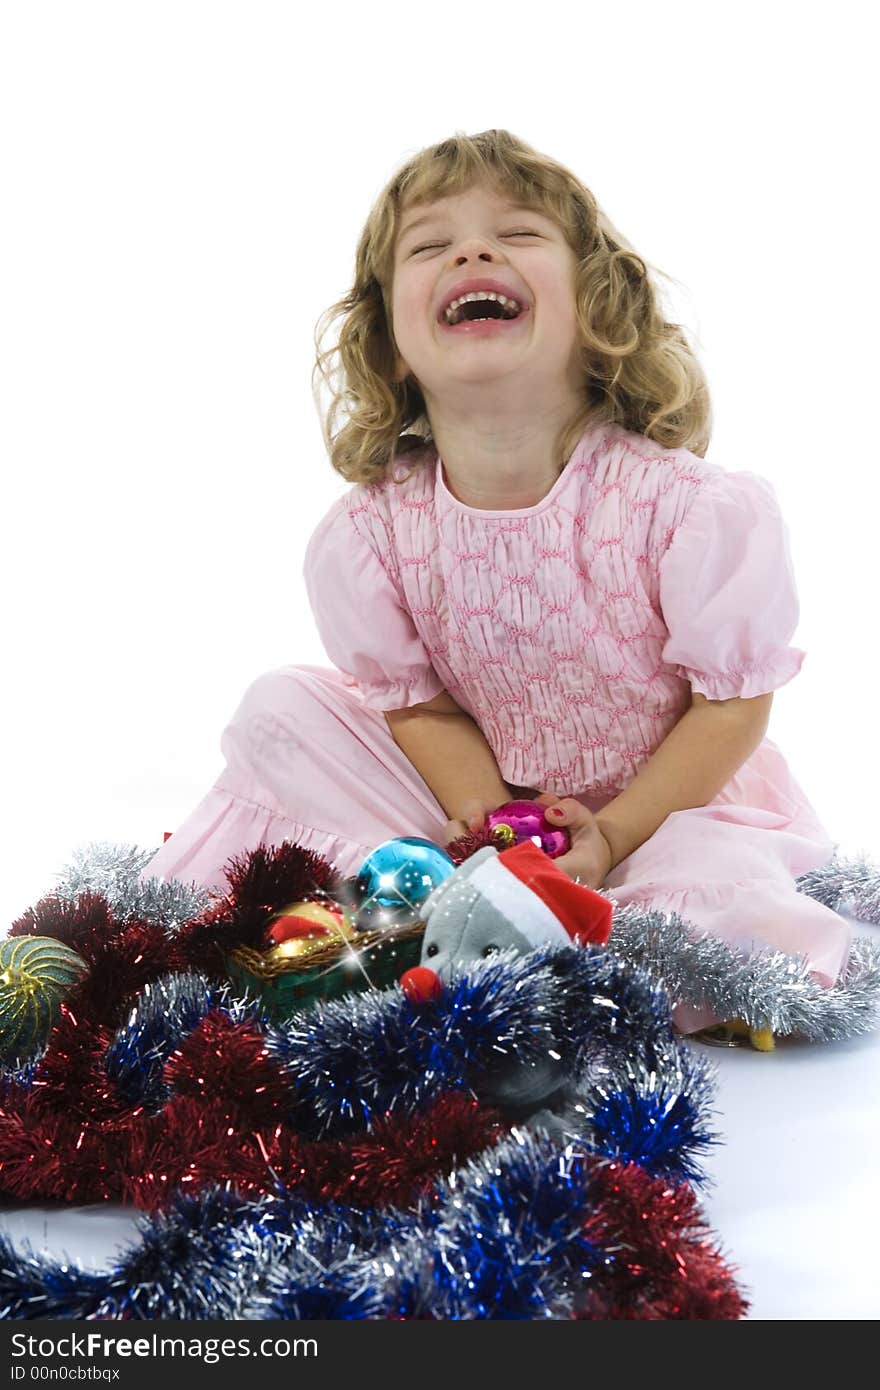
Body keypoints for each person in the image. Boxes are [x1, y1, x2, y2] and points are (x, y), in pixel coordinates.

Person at [138, 129, 850, 1037]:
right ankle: (477, 910)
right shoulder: (374, 530)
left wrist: (611, 834)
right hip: (485, 805)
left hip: (668, 812)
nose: (473, 251)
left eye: (517, 234)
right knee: (282, 707)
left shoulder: (682, 509)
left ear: (597, 312)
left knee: (726, 900)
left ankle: (552, 942)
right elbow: (423, 711)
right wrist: (489, 833)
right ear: (391, 342)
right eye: (431, 246)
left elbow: (729, 708)